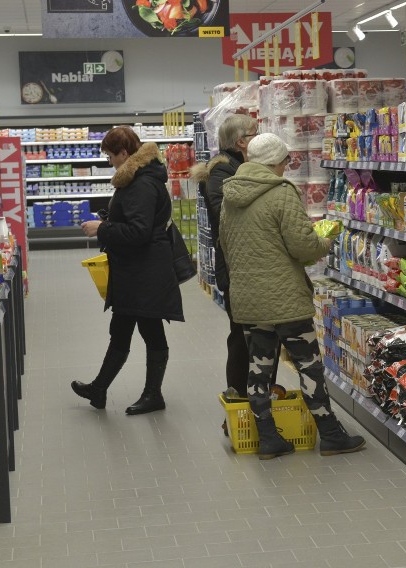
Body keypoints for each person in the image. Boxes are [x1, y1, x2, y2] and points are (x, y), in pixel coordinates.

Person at [220, 133, 365, 460]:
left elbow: (226, 245)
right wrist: (325, 242)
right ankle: (330, 435)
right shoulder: (281, 193)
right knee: (309, 365)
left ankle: (268, 438)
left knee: (259, 369)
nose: (287, 167)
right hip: (284, 299)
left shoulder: (231, 194)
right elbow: (303, 248)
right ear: (274, 162)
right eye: (285, 161)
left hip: (249, 299)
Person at [72, 126, 184, 415]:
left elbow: (139, 232)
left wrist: (103, 228)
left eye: (110, 156)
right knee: (120, 329)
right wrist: (111, 218)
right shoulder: (136, 178)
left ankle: (153, 395)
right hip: (135, 270)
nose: (109, 161)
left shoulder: (142, 184)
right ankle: (98, 389)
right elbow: (137, 221)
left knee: (151, 330)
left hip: (145, 271)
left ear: (124, 153)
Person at [190, 115, 258, 409]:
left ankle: (254, 398)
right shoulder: (221, 172)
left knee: (252, 336)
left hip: (247, 264)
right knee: (241, 336)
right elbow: (224, 216)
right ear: (240, 141)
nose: (259, 137)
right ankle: (239, 399)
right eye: (255, 133)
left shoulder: (239, 167)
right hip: (235, 266)